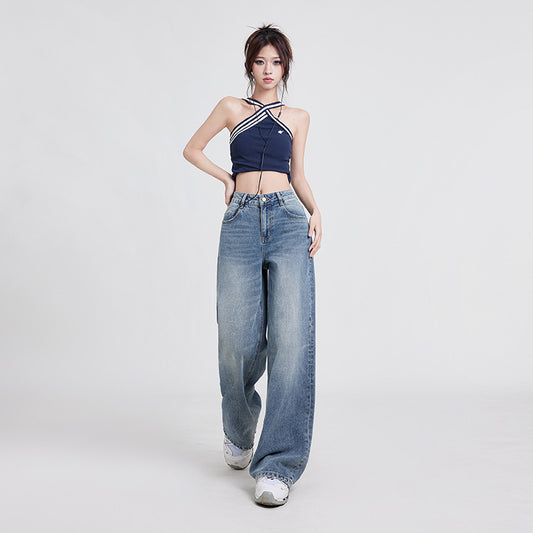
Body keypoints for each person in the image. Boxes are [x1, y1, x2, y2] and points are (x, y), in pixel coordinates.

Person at [183, 24, 322, 506]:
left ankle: (278, 465)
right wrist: (226, 179)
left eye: (276, 62)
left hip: (287, 219)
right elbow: (191, 149)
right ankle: (240, 431)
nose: (268, 70)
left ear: (285, 68)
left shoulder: (298, 117)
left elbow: (298, 175)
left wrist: (316, 211)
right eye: (260, 61)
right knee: (237, 339)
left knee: (291, 339)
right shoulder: (230, 108)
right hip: (241, 221)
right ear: (250, 65)